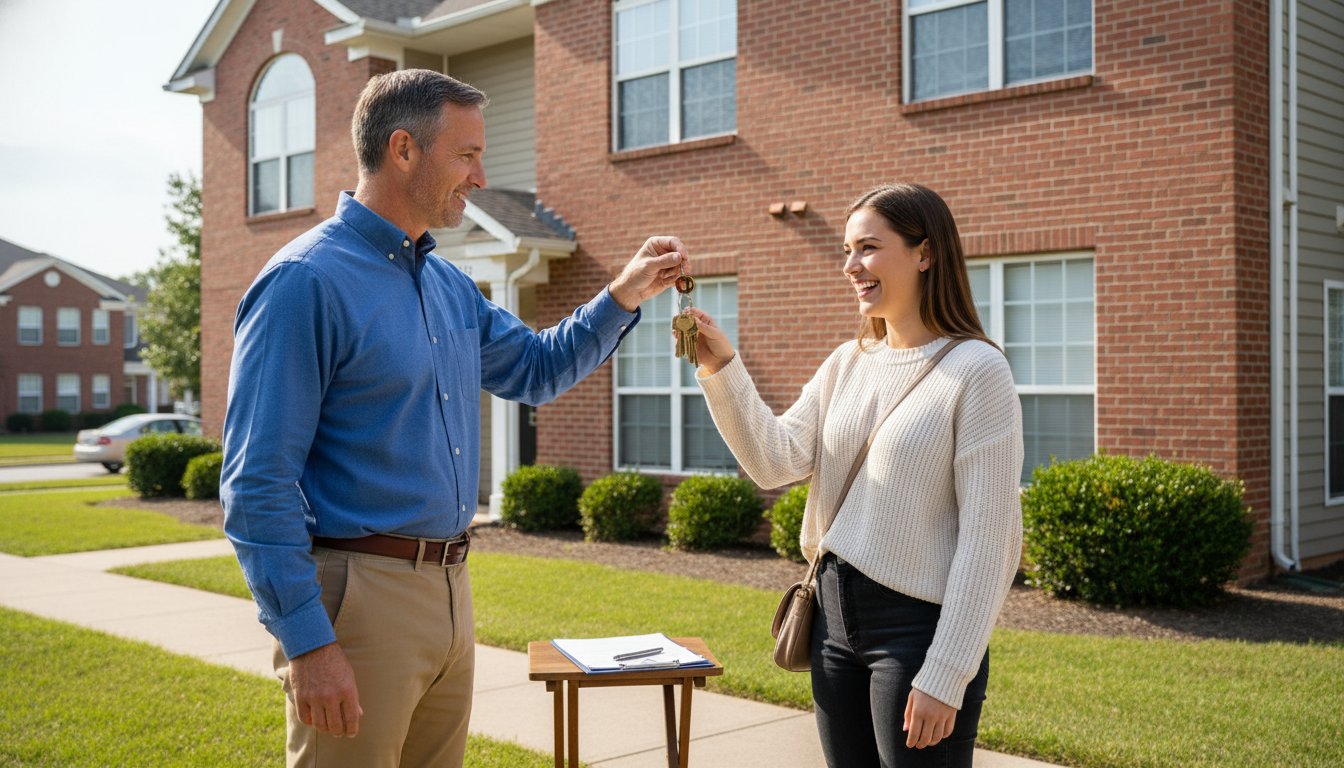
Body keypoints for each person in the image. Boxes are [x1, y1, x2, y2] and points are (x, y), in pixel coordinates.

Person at [220, 69, 688, 768]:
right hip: (358, 600)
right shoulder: (305, 282)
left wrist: (622, 295)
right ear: (403, 149)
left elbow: (536, 368)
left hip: (451, 589)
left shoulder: (446, 286)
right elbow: (256, 484)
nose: (480, 175)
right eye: (467, 154)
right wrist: (310, 643)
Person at [687, 183, 1023, 767]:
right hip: (832, 624)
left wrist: (946, 673)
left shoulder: (978, 370)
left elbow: (991, 539)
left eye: (868, 247)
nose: (850, 266)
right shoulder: (848, 363)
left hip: (917, 634)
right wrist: (721, 365)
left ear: (925, 253)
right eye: (847, 250)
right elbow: (773, 459)